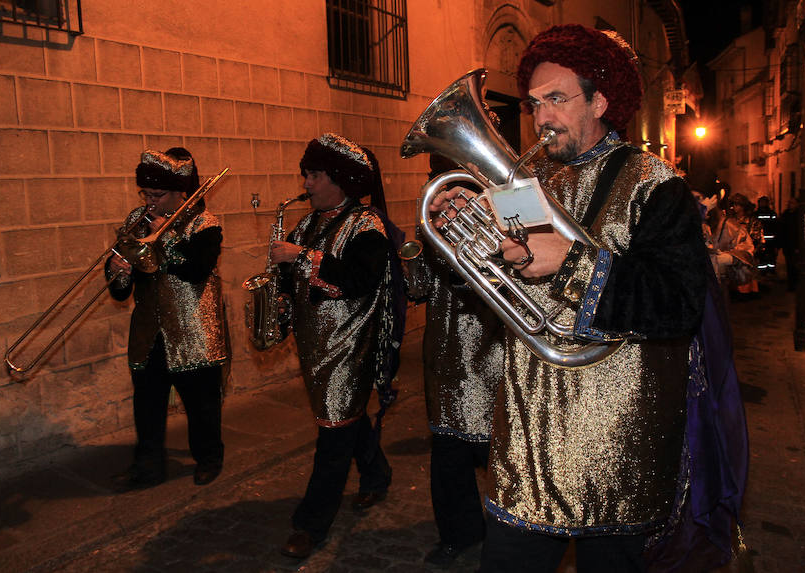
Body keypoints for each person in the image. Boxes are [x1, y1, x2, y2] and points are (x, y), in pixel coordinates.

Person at [429, 25, 746, 572]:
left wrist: (574, 263)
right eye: (534, 103)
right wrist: (465, 238)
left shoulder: (655, 184)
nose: (541, 117)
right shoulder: (524, 181)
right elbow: (503, 290)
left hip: (618, 444)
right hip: (529, 434)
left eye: (557, 99)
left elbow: (678, 304)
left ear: (600, 101)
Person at [270, 133, 402, 560]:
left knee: (332, 433)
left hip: (349, 347)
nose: (306, 183)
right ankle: (376, 475)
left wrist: (302, 258)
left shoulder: (368, 225)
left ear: (340, 180)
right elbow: (295, 281)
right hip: (315, 348)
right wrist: (279, 294)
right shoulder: (308, 223)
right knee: (344, 418)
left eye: (314, 175)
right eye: (305, 174)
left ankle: (310, 524)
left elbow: (358, 281)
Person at [106, 147, 228, 491]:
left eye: (157, 195)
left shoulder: (206, 224)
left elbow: (196, 269)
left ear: (180, 193)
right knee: (146, 403)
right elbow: (120, 292)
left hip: (193, 330)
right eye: (145, 194)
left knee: (201, 402)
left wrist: (168, 236)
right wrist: (118, 272)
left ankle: (209, 458)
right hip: (149, 331)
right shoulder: (136, 220)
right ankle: (147, 466)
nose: (149, 201)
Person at [408, 156, 505, 569]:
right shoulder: (433, 224)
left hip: (489, 354)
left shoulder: (500, 211)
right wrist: (417, 253)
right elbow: (419, 290)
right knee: (448, 455)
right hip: (445, 358)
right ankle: (458, 532)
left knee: (498, 454)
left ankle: (512, 536)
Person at [753, 196, 779, 274]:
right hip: (760, 240)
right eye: (761, 202)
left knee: (771, 257)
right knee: (761, 257)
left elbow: (776, 226)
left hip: (771, 240)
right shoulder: (755, 214)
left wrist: (777, 241)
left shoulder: (772, 214)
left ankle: (771, 271)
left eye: (764, 202)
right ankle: (762, 272)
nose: (763, 203)